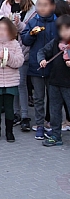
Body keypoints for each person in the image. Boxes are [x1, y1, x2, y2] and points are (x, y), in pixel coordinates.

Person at [0, 0, 36, 131]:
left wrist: (18, 24)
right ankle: (15, 113)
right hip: (8, 48)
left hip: (23, 50)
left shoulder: (31, 9)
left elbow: (29, 31)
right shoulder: (6, 4)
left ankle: (25, 115)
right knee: (12, 82)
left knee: (21, 83)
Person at [21, 0, 57, 140]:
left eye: (45, 5)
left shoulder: (58, 22)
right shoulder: (33, 21)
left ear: (52, 7)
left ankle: (52, 124)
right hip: (36, 65)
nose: (41, 8)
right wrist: (31, 33)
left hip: (54, 66)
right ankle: (40, 124)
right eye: (39, 5)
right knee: (38, 97)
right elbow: (25, 40)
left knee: (53, 97)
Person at [38, 15, 70, 146]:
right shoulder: (56, 42)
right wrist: (42, 60)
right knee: (54, 110)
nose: (63, 33)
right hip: (55, 82)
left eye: (66, 30)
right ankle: (56, 135)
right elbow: (42, 51)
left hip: (68, 84)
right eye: (61, 30)